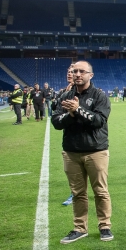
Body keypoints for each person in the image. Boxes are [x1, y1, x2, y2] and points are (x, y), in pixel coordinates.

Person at [51, 61, 113, 244]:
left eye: (82, 71)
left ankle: (105, 226)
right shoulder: (65, 96)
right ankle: (80, 228)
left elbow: (98, 121)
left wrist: (77, 110)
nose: (77, 74)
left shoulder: (100, 95)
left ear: (90, 75)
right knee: (78, 193)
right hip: (71, 152)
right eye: (74, 71)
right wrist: (70, 114)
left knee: (100, 191)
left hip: (96, 151)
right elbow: (56, 122)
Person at [55, 66, 77, 206]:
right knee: (71, 170)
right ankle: (74, 193)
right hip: (69, 135)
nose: (70, 74)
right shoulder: (64, 91)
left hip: (86, 136)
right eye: (68, 72)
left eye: (73, 71)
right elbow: (55, 109)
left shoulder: (85, 92)